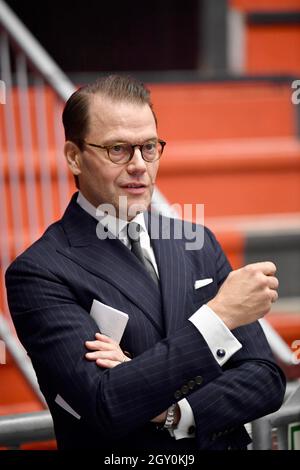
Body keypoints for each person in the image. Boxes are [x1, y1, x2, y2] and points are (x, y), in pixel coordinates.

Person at [5, 75, 285, 451]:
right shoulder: (39, 271)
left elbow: (265, 380)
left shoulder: (197, 242)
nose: (139, 165)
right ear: (74, 156)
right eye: (118, 149)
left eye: (149, 147)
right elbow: (107, 404)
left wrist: (172, 410)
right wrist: (217, 319)